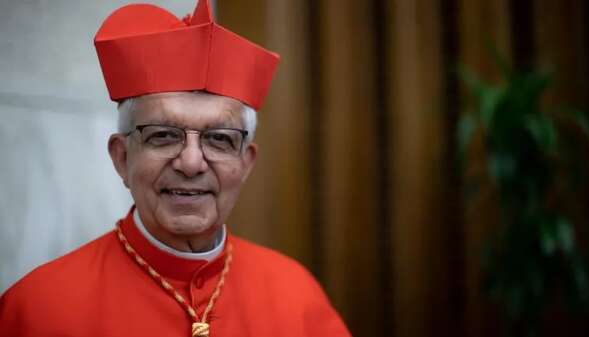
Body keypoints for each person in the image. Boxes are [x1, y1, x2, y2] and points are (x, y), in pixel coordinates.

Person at [0, 1, 351, 336]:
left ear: (245, 164)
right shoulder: (40, 306)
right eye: (164, 136)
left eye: (219, 139)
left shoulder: (296, 294)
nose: (191, 162)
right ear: (122, 157)